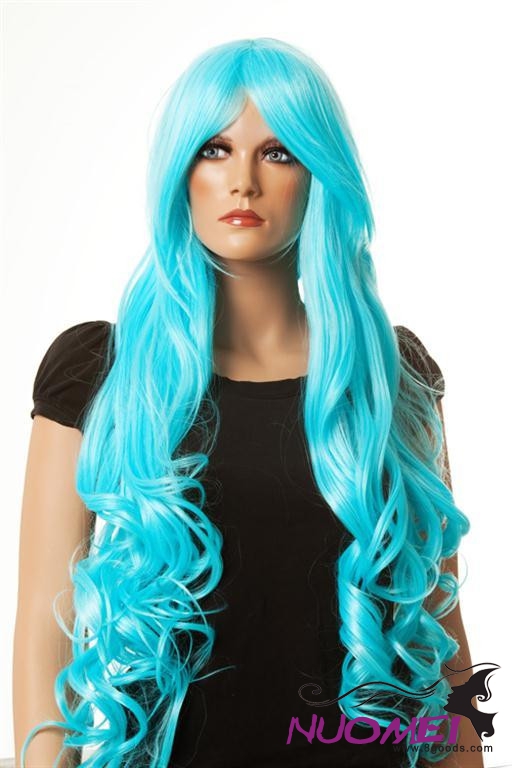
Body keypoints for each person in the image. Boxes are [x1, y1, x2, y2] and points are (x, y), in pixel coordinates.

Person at [13, 37, 482, 768]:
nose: (242, 182)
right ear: (181, 171)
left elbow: (443, 639)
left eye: (277, 153)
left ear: (317, 174)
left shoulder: (393, 382)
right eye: (215, 150)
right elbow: (45, 630)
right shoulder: (100, 376)